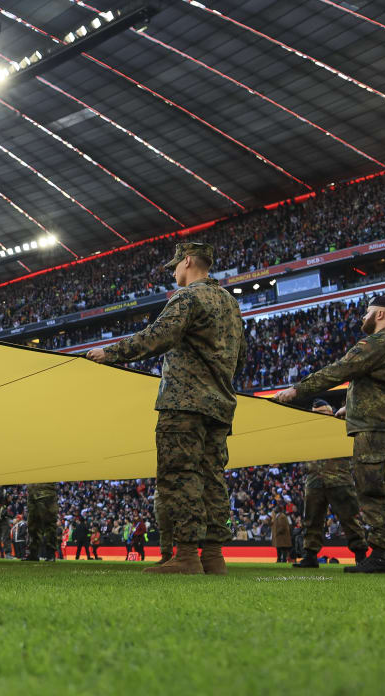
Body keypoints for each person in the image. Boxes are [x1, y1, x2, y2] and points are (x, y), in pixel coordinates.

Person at [88, 243, 246, 576]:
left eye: (175, 267)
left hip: (184, 403)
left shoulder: (188, 298)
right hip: (220, 405)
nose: (174, 273)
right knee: (213, 478)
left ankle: (186, 554)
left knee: (180, 476)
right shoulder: (231, 304)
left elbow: (158, 336)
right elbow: (239, 357)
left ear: (187, 261)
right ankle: (213, 557)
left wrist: (110, 352)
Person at [275, 294, 385, 574]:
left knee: (378, 492)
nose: (363, 317)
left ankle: (382, 556)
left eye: (367, 312)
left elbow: (340, 369)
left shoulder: (376, 343)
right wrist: (350, 408)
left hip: (379, 432)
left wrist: (298, 390)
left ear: (379, 314)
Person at [293, 399, 369, 568]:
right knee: (311, 520)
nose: (318, 416)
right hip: (314, 481)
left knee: (349, 518)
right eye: (315, 413)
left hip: (339, 479)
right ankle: (310, 556)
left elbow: (360, 414)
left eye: (322, 413)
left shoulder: (341, 425)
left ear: (330, 412)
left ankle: (361, 556)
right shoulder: (307, 431)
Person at [24, 483, 58, 562]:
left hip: (46, 491)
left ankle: (50, 553)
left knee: (49, 523)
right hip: (32, 493)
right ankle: (33, 553)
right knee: (32, 525)